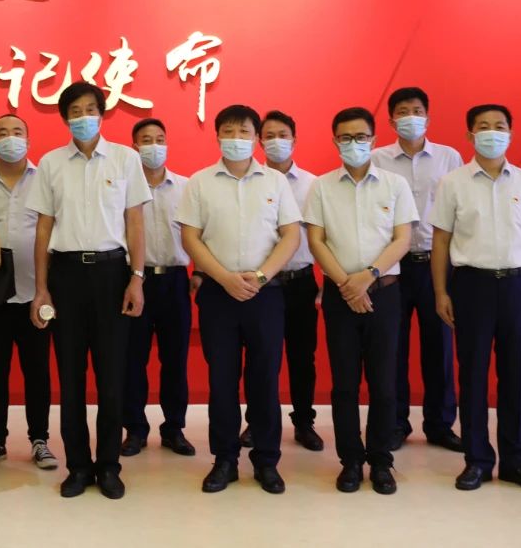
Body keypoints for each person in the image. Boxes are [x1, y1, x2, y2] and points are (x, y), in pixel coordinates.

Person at [27, 82, 152, 500]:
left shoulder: (125, 159)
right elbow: (43, 229)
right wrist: (41, 289)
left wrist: (137, 278)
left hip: (112, 274)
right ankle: (78, 466)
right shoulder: (50, 163)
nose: (84, 117)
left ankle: (109, 466)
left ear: (103, 113)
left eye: (90, 109)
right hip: (65, 276)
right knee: (71, 378)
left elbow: (135, 223)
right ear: (65, 118)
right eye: (75, 111)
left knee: (112, 377)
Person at [431, 104, 521, 493]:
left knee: (515, 375)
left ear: (510, 134)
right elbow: (441, 241)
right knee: (472, 374)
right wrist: (441, 291)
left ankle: (516, 461)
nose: (491, 132)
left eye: (499, 126)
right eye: (483, 126)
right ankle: (477, 461)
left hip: (518, 286)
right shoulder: (453, 183)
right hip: (472, 286)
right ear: (469, 135)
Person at [178, 105, 300, 495]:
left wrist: (261, 276)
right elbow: (191, 238)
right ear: (217, 136)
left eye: (244, 131)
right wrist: (223, 277)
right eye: (228, 131)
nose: (236, 138)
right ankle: (225, 460)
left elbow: (291, 235)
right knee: (222, 380)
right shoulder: (200, 182)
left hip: (265, 294)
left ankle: (266, 460)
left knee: (264, 379)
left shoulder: (275, 182)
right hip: (218, 293)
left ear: (256, 137)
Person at [305, 107, 418, 495]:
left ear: (373, 139)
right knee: (345, 385)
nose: (354, 143)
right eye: (346, 137)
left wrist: (367, 276)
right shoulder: (321, 187)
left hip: (384, 292)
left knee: (384, 383)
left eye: (361, 136)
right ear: (335, 141)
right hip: (340, 297)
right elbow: (316, 241)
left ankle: (381, 461)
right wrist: (346, 285)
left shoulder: (394, 185)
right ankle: (350, 461)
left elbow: (402, 239)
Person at [370, 87, 463, 452]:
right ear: (391, 120)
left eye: (417, 110)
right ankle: (396, 423)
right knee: (392, 348)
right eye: (403, 111)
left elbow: (459, 209)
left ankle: (440, 424)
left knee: (439, 347)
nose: (411, 116)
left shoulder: (448, 157)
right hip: (391, 266)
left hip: (436, 265)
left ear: (428, 116)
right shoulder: (376, 159)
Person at [0, 114, 58, 471]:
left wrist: (49, 290)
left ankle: (40, 439)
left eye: (17, 132)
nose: (10, 138)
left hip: (37, 295)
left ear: (28, 140)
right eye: (2, 133)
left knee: (38, 372)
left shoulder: (45, 180)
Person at [241, 110, 325, 452]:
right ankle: (257, 422)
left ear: (294, 139)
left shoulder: (314, 184)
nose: (276, 141)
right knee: (261, 358)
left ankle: (304, 422)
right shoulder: (250, 180)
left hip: (301, 281)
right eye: (269, 136)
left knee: (303, 358)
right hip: (262, 285)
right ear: (260, 142)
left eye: (283, 135)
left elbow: (326, 236)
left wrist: (325, 281)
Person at [121, 118, 195, 458]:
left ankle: (174, 428)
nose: (154, 146)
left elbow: (201, 233)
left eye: (160, 139)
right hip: (134, 281)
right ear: (134, 147)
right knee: (132, 360)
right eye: (146, 140)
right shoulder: (124, 188)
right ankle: (135, 429)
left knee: (175, 359)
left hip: (175, 280)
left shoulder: (186, 187)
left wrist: (200, 272)